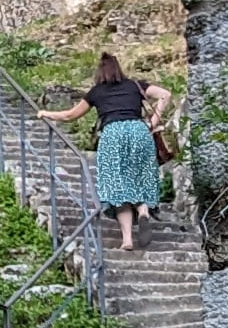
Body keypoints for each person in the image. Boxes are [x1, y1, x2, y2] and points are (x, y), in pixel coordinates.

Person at [52, 47, 172, 251]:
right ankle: (143, 213)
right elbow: (165, 94)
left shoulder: (97, 92)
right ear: (119, 69)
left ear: (99, 73)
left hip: (112, 135)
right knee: (139, 178)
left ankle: (127, 240)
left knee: (117, 186)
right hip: (138, 131)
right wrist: (154, 120)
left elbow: (70, 115)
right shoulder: (135, 85)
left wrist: (45, 113)